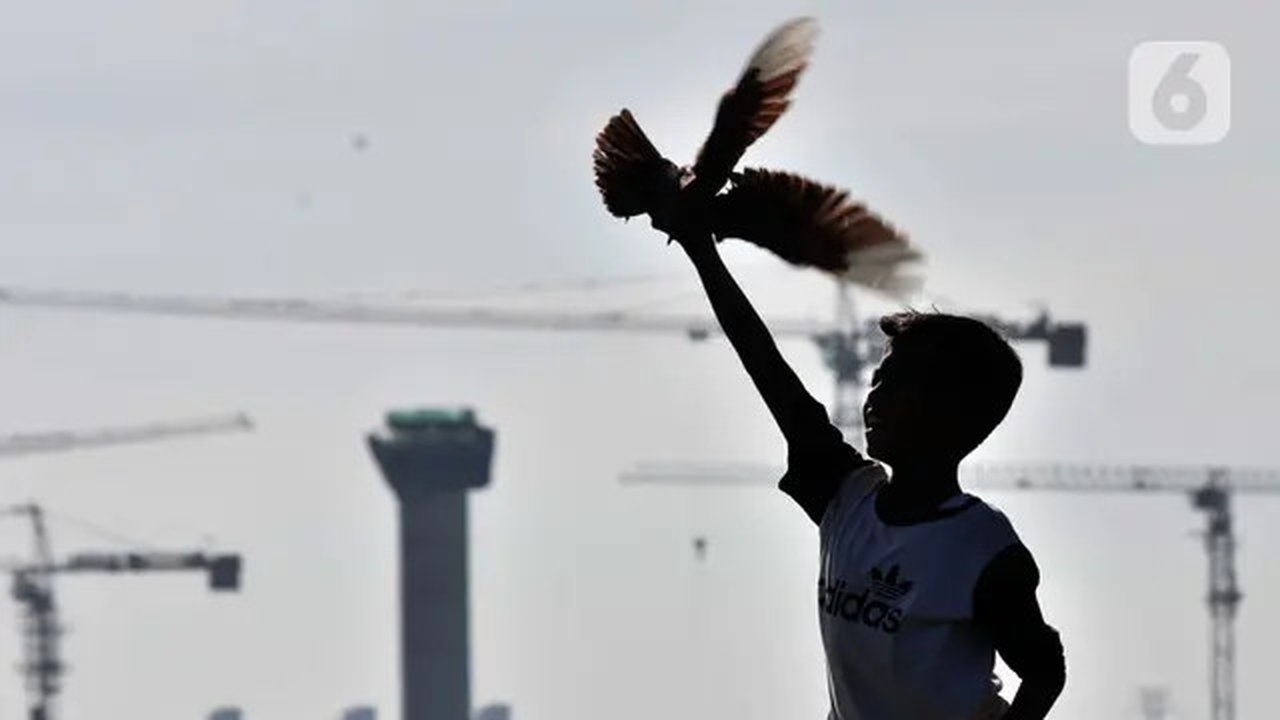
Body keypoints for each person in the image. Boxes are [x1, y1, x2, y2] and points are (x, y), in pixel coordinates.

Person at [666, 228, 1066, 720]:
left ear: (951, 413)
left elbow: (1046, 670)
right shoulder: (845, 495)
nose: (873, 398)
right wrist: (699, 248)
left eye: (896, 384)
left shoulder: (982, 547)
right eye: (877, 379)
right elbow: (765, 365)